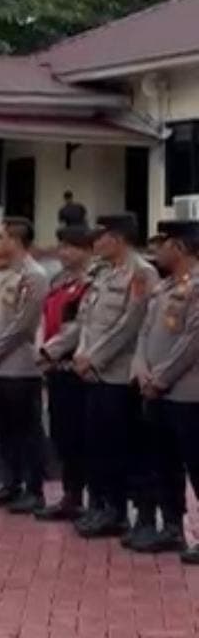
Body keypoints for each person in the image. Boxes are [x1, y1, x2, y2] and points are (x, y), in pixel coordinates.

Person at [72, 213, 157, 539]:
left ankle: (119, 512)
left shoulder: (141, 272)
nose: (96, 242)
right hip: (93, 372)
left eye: (102, 236)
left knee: (120, 446)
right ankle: (104, 505)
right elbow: (88, 319)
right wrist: (82, 351)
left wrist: (95, 357)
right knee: (98, 444)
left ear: (118, 238)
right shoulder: (103, 273)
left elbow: (130, 324)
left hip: (119, 374)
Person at [129, 219, 198, 557]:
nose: (158, 250)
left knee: (196, 463)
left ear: (181, 248)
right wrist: (142, 370)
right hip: (155, 390)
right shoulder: (163, 287)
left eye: (164, 244)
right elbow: (143, 332)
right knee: (164, 461)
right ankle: (172, 526)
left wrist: (161, 378)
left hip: (186, 392)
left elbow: (192, 341)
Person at [0, 217, 50, 513]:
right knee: (6, 428)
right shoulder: (3, 275)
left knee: (27, 429)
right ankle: (11, 482)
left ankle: (34, 489)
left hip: (20, 365)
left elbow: (24, 324)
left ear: (15, 241)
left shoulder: (34, 275)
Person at [34, 225, 94, 522]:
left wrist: (51, 350)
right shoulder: (57, 281)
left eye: (71, 247)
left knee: (83, 435)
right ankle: (71, 494)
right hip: (55, 368)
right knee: (62, 434)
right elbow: (44, 318)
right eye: (61, 246)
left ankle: (92, 497)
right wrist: (41, 348)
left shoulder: (92, 282)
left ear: (87, 250)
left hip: (78, 369)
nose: (64, 252)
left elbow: (81, 325)